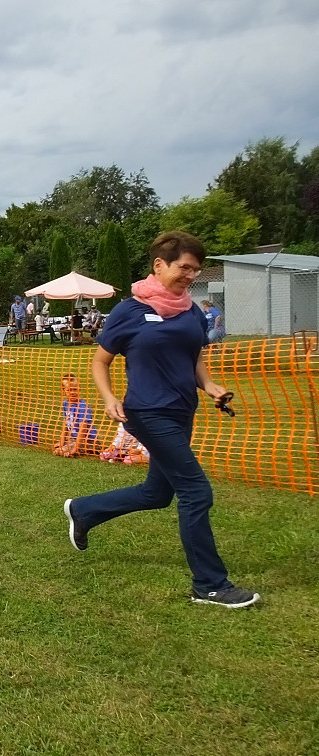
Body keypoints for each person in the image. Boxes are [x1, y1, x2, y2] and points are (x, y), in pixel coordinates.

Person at [63, 231, 258, 608]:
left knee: (158, 493)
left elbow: (195, 359)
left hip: (182, 410)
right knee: (196, 491)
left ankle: (83, 510)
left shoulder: (192, 312)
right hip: (147, 412)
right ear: (159, 265)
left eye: (195, 270)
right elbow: (100, 361)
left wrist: (210, 385)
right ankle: (210, 584)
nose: (190, 275)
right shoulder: (129, 311)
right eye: (184, 267)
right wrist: (108, 399)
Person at [53, 372, 98, 457]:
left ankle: (74, 450)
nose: (72, 392)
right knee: (58, 449)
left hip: (88, 440)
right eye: (69, 390)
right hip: (75, 439)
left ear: (79, 388)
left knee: (66, 450)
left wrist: (75, 448)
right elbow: (66, 424)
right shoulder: (65, 404)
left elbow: (83, 429)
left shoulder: (82, 407)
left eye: (75, 389)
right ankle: (69, 447)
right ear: (63, 391)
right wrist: (62, 442)